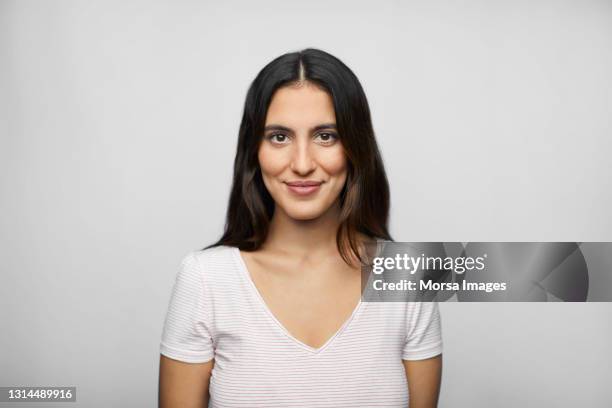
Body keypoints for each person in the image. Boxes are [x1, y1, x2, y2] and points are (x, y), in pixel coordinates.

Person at [158, 48, 443, 408]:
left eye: (326, 136)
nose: (303, 164)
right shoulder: (205, 278)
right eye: (279, 137)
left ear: (356, 147)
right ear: (254, 150)